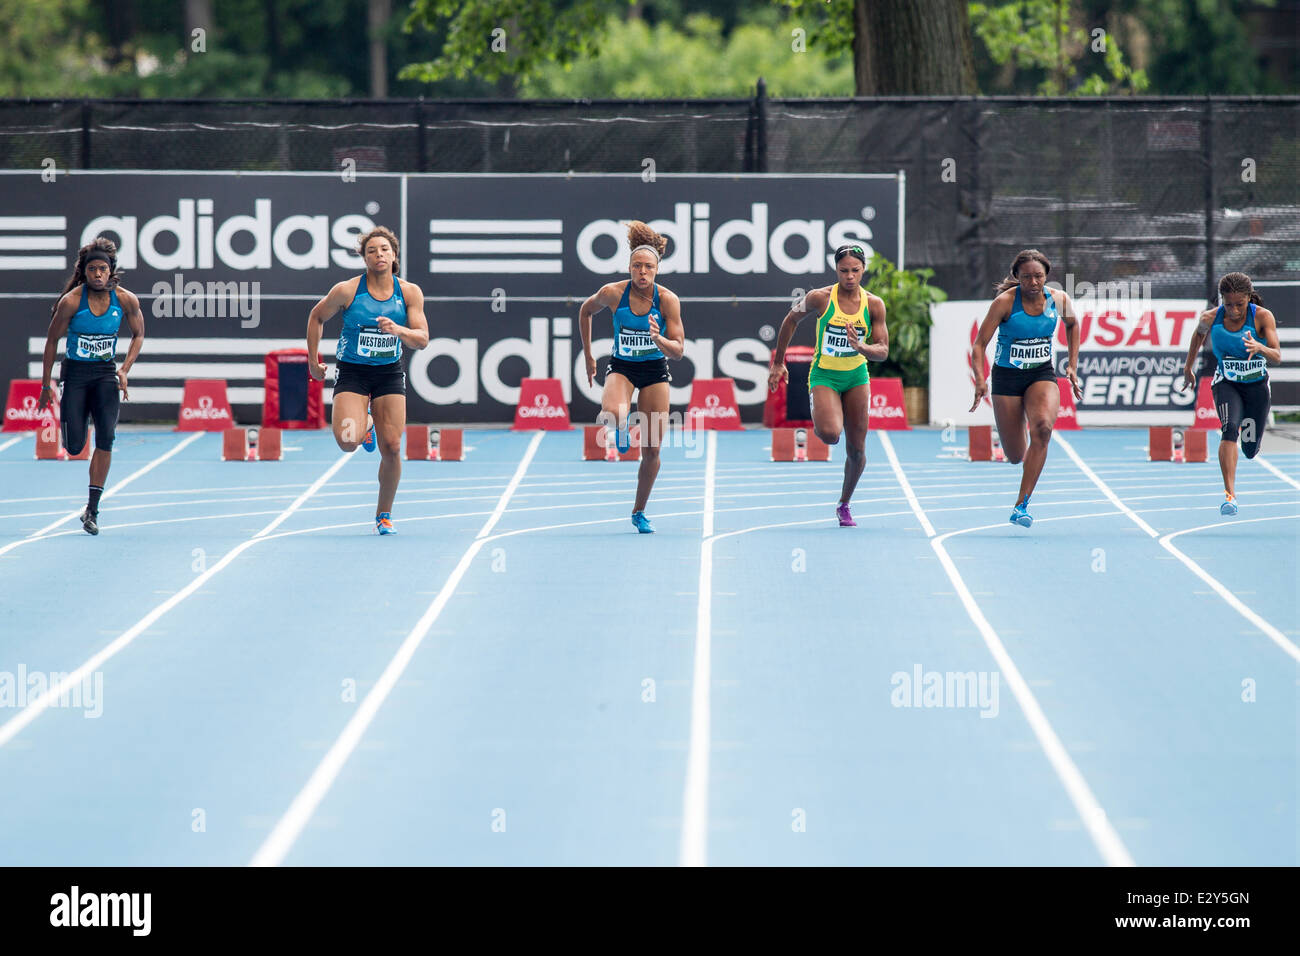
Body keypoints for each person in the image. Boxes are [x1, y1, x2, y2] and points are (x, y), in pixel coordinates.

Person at [307, 226, 428, 535]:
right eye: (372, 250)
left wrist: (398, 331)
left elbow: (422, 339)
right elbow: (316, 317)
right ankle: (368, 424)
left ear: (394, 255)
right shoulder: (347, 291)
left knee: (392, 447)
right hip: (353, 372)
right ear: (363, 257)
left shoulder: (409, 293)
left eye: (384, 250)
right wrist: (312, 361)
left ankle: (384, 514)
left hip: (388, 372)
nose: (379, 255)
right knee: (348, 442)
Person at [767, 244, 887, 527]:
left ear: (863, 270)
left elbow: (883, 351)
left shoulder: (873, 304)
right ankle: (823, 409)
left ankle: (844, 504)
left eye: (855, 271)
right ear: (836, 270)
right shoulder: (820, 298)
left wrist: (861, 347)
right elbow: (790, 320)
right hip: (825, 375)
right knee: (831, 435)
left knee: (857, 450)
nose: (849, 276)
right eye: (843, 271)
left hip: (857, 376)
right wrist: (778, 362)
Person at [578, 221, 685, 534]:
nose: (642, 272)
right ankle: (622, 426)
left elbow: (678, 350)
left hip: (654, 371)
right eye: (637, 266)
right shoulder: (612, 293)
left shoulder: (667, 301)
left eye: (648, 267)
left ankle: (639, 511)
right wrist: (587, 355)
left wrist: (659, 340)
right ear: (629, 267)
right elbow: (585, 311)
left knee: (652, 451)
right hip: (622, 367)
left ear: (656, 269)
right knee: (610, 414)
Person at [36, 238, 145, 536]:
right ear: (84, 273)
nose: (98, 274)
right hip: (76, 376)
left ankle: (92, 509)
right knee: (74, 445)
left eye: (103, 269)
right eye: (93, 269)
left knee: (106, 437)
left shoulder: (125, 300)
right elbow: (51, 341)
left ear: (111, 272)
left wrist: (124, 369)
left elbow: (138, 335)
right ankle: (75, 422)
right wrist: (46, 385)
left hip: (105, 375)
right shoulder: (71, 301)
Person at [968, 249, 1082, 528]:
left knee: (1043, 428)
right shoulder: (1004, 303)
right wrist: (981, 380)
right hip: (1007, 378)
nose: (1033, 282)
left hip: (1041, 374)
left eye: (1039, 277)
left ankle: (1021, 505)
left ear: (1047, 277)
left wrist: (1072, 365)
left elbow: (1073, 325)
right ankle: (1010, 431)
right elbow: (980, 344)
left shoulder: (1059, 300)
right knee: (1015, 455)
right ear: (1016, 277)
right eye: (1027, 277)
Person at [1179, 272, 1281, 516]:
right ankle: (1230, 496)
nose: (1234, 310)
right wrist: (1188, 368)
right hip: (1227, 383)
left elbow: (1277, 355)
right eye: (1228, 304)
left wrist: (1260, 347)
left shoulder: (1262, 317)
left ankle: (1252, 442)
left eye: (1240, 304)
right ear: (1221, 300)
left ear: (1249, 299)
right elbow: (1198, 336)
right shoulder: (1210, 318)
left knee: (1249, 448)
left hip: (1256, 386)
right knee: (1229, 428)